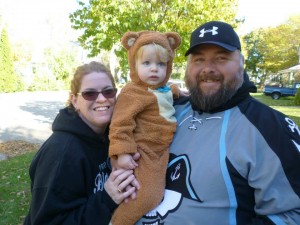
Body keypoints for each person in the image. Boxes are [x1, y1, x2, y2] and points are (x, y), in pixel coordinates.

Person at [135, 21, 300, 225]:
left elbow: (292, 214)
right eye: (198, 59)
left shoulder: (269, 127)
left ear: (241, 63)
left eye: (221, 58)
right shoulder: (170, 109)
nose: (207, 69)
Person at [23, 61, 140, 225]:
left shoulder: (113, 136)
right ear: (75, 100)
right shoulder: (61, 153)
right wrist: (107, 198)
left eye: (108, 91)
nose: (101, 99)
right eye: (89, 94)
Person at [108, 31, 181, 225]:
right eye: (146, 63)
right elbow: (120, 124)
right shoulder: (133, 92)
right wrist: (122, 153)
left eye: (161, 64)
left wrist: (176, 91)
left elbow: (164, 96)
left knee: (146, 192)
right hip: (143, 152)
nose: (154, 69)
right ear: (134, 64)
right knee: (149, 196)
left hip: (160, 150)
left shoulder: (162, 89)